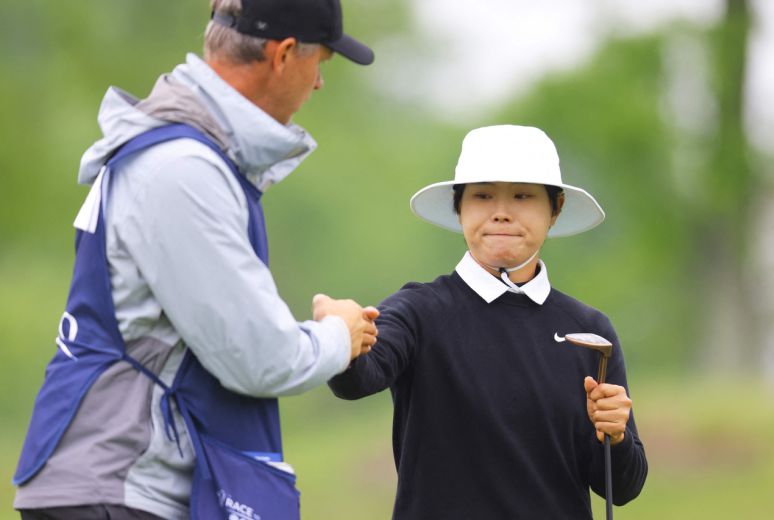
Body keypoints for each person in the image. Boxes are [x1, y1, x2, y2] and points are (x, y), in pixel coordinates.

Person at [14, 1, 377, 519]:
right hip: (117, 488)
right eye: (319, 61)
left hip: (109, 485)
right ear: (283, 55)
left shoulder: (173, 153)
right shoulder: (182, 169)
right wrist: (339, 333)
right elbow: (261, 358)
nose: (319, 82)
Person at [329, 125, 648, 518]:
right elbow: (358, 379)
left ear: (555, 208)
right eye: (482, 195)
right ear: (458, 206)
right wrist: (342, 337)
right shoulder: (418, 312)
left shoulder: (590, 331)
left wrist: (615, 435)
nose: (501, 211)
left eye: (522, 195)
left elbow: (624, 485)